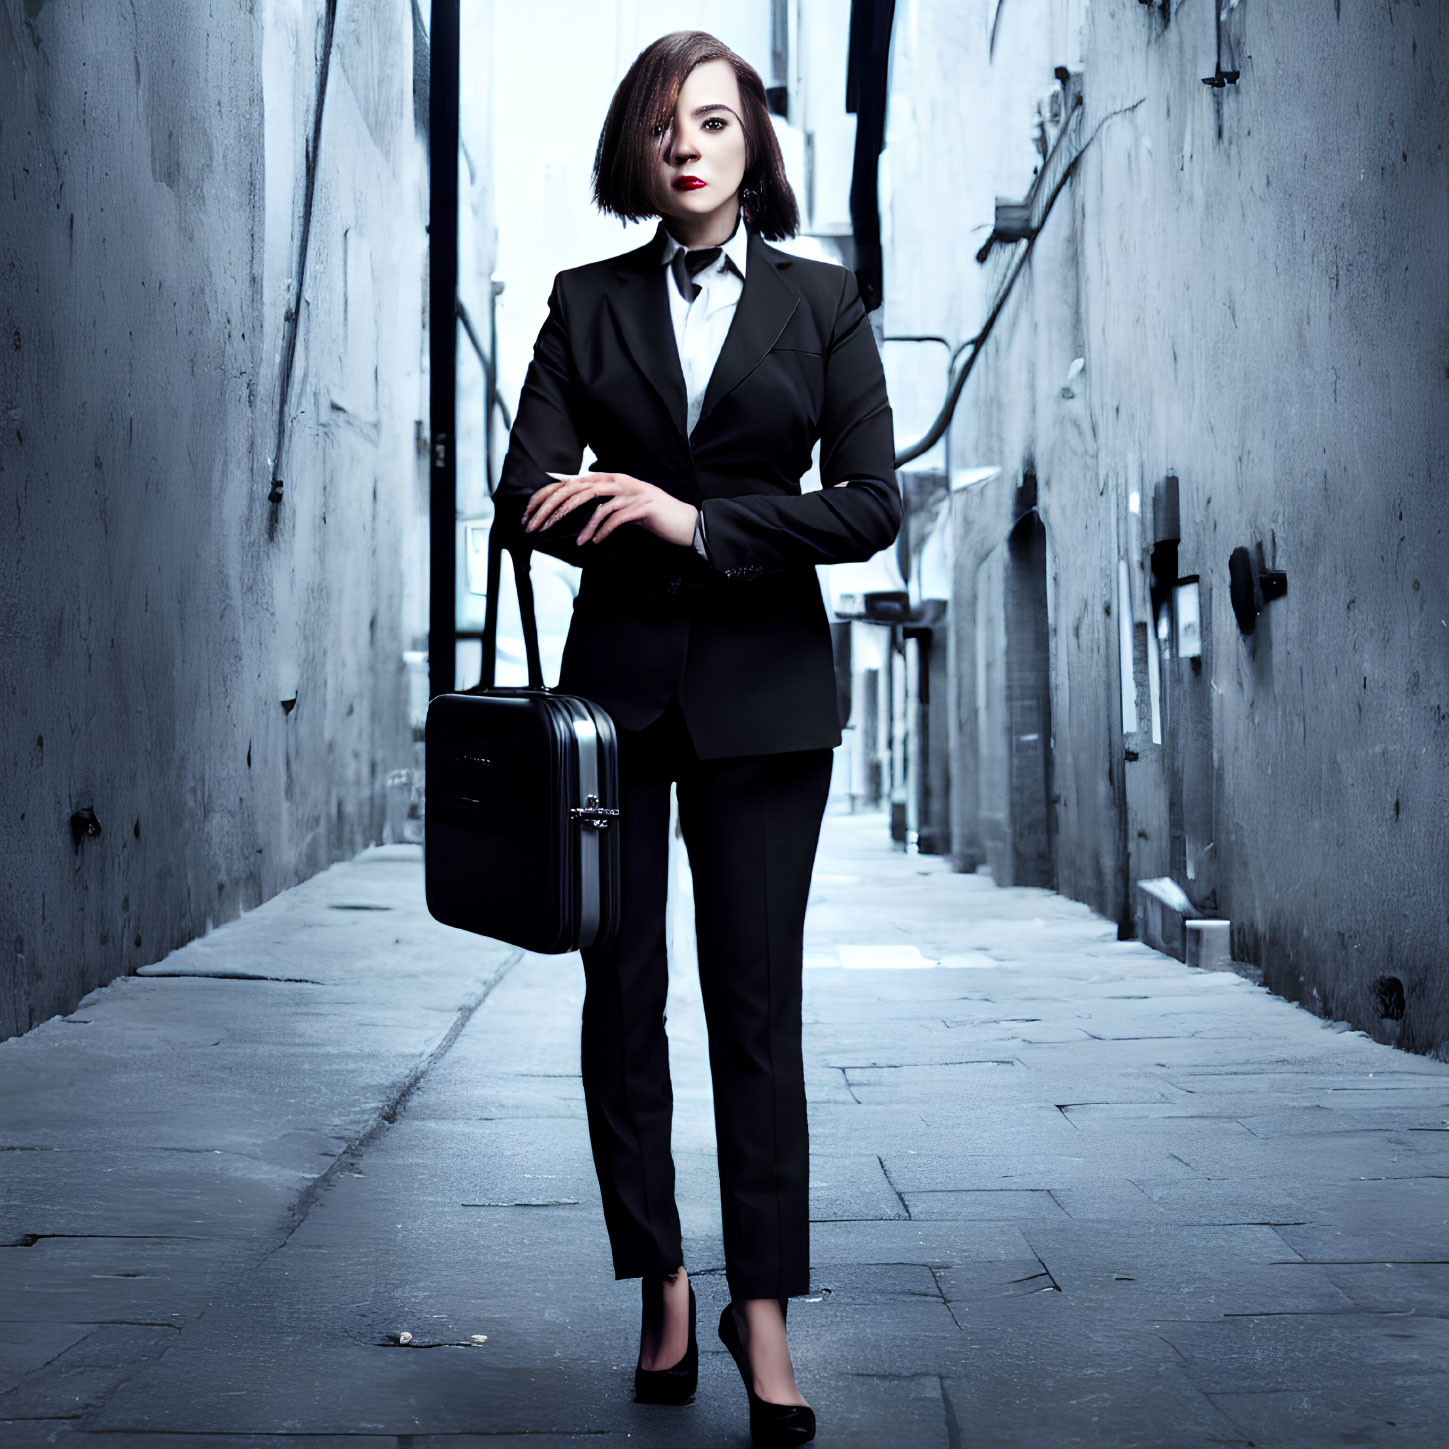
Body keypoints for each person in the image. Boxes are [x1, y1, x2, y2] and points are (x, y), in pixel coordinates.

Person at [491, 29, 899, 1448]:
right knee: (622, 1000)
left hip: (767, 697)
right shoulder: (583, 301)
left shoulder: (820, 301)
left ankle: (763, 1313)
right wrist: (582, 490)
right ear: (638, 146)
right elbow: (519, 493)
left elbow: (866, 505)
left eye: (715, 121)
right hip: (614, 703)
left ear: (750, 147)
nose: (688, 144)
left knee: (755, 1011)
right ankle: (662, 1274)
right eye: (665, 122)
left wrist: (686, 518)